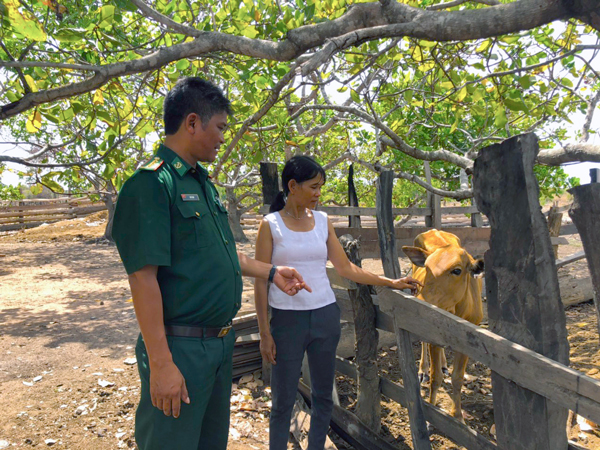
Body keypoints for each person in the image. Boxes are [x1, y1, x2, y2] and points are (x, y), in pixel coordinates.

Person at [111, 77, 310, 450]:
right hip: (180, 347)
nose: (222, 138)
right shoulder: (152, 184)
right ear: (191, 123)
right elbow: (142, 278)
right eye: (219, 128)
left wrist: (270, 272)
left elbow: (218, 256)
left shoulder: (203, 184)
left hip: (218, 344)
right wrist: (162, 363)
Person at [254, 155, 422, 450]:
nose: (319, 193)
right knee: (282, 401)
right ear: (292, 186)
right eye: (314, 187)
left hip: (325, 319)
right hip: (286, 322)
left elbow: (345, 268)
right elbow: (259, 280)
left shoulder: (322, 221)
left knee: (322, 397)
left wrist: (389, 282)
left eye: (321, 187)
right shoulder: (270, 225)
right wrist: (265, 333)